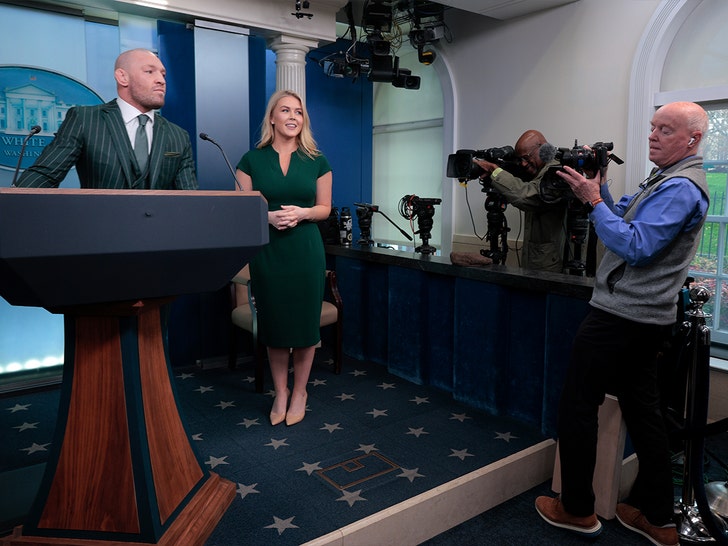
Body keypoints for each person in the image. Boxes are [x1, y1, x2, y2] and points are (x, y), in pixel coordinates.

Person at [535, 101, 710, 546]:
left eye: (664, 129)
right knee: (643, 411)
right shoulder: (666, 179)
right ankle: (658, 517)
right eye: (652, 127)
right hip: (644, 317)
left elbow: (634, 245)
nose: (652, 135)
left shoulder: (681, 188)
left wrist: (591, 201)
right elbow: (623, 219)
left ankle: (576, 509)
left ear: (692, 139)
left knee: (578, 404)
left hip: (621, 315)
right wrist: (602, 190)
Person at [235, 90, 333, 427]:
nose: (293, 116)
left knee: (305, 326)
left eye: (299, 112)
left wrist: (303, 213)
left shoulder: (317, 160)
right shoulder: (250, 160)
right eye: (285, 110)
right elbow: (243, 208)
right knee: (275, 325)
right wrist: (268, 217)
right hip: (270, 252)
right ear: (272, 118)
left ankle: (301, 391)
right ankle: (280, 391)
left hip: (305, 251)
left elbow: (325, 208)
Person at [15, 48, 197, 190]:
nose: (161, 80)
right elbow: (45, 175)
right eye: (150, 72)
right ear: (122, 77)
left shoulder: (178, 136)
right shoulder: (84, 119)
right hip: (98, 232)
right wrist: (12, 205)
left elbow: (191, 200)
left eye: (163, 74)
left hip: (159, 235)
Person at [473, 129, 568, 272]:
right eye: (520, 160)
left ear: (543, 149)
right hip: (537, 261)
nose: (523, 164)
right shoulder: (538, 172)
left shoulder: (557, 172)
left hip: (551, 266)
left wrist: (495, 171)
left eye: (526, 157)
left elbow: (527, 196)